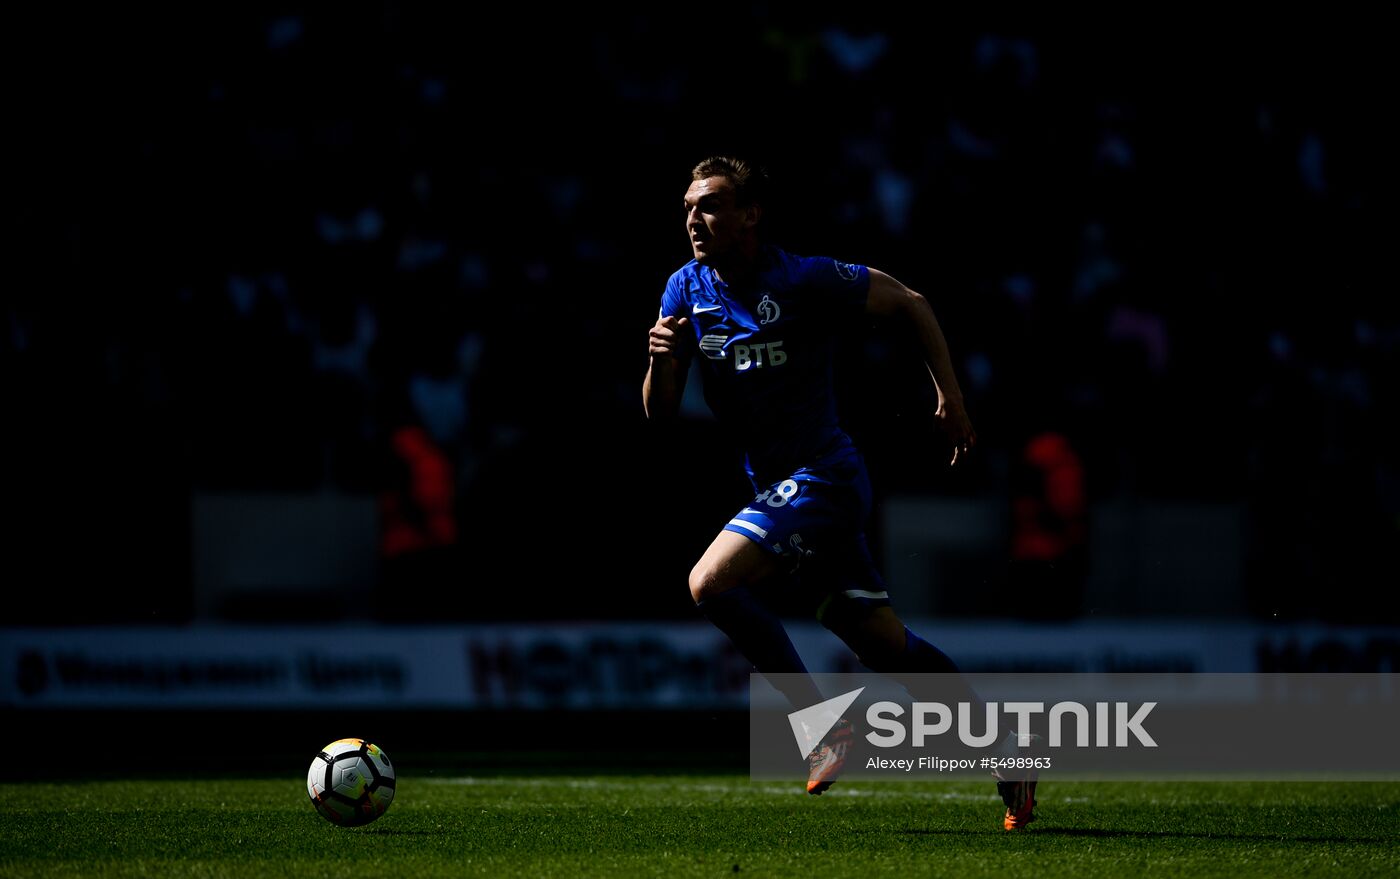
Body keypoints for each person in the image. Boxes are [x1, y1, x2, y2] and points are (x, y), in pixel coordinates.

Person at [643, 156, 1038, 830]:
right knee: (885, 646)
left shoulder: (804, 279)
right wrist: (660, 358)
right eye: (686, 206)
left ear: (749, 213)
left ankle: (821, 727)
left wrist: (950, 395)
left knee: (709, 583)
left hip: (825, 474)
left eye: (708, 204)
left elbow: (912, 303)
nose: (692, 217)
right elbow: (660, 413)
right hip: (778, 490)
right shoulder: (685, 289)